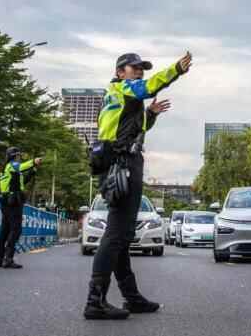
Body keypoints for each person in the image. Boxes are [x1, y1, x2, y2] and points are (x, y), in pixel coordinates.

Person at [83, 51, 192, 320]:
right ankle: (95, 301)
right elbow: (151, 85)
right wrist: (176, 69)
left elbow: (129, 129)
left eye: (142, 68)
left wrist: (150, 115)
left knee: (120, 235)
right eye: (135, 68)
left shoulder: (115, 95)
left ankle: (131, 297)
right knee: (117, 235)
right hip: (123, 165)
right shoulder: (126, 88)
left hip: (114, 163)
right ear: (120, 72)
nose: (140, 71)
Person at [0, 147, 42, 269]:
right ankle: (8, 258)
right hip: (13, 203)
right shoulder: (12, 165)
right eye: (18, 156)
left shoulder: (8, 169)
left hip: (7, 202)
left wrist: (33, 171)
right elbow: (21, 167)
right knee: (16, 230)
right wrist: (33, 162)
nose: (19, 158)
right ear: (15, 156)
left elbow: (21, 183)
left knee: (5, 230)